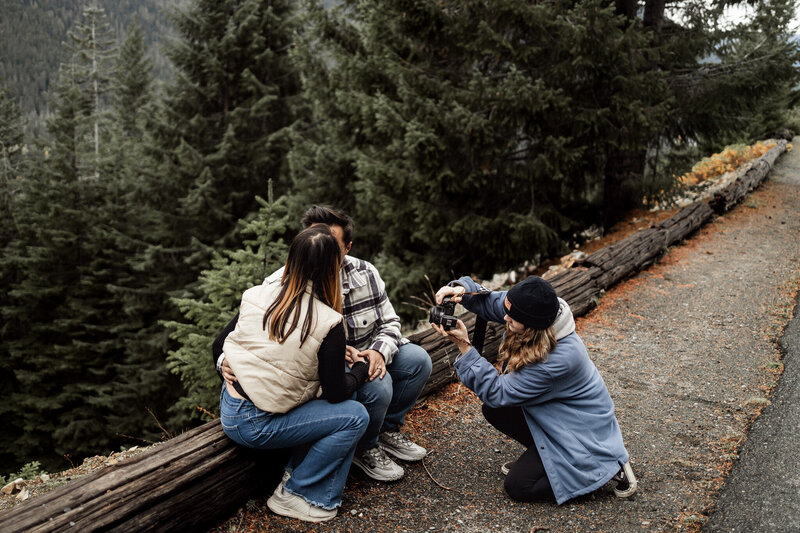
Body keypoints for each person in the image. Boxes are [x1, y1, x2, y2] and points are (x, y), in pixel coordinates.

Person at [216, 206, 432, 482]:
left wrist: (378, 351)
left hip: (363, 355)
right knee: (379, 386)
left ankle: (386, 431)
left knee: (418, 360)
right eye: (315, 238)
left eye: (329, 241)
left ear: (347, 247)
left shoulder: (365, 273)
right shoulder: (279, 284)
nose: (320, 246)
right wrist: (224, 362)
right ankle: (365, 448)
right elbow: (252, 343)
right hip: (325, 373)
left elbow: (390, 323)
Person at [431, 275, 637, 505]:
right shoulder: (539, 311)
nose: (505, 317)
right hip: (558, 414)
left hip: (582, 433)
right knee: (495, 410)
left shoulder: (559, 359)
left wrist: (464, 346)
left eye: (512, 318)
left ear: (531, 326)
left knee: (519, 486)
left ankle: (602, 470)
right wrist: (463, 290)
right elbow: (495, 303)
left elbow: (497, 391)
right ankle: (548, 460)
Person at [219, 225, 370, 522]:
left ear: (293, 259)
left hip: (231, 405)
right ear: (332, 268)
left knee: (322, 406)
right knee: (354, 415)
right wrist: (361, 369)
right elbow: (336, 392)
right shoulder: (329, 322)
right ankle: (298, 494)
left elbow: (218, 346)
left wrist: (224, 362)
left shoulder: (257, 294)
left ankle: (294, 473)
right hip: (257, 423)